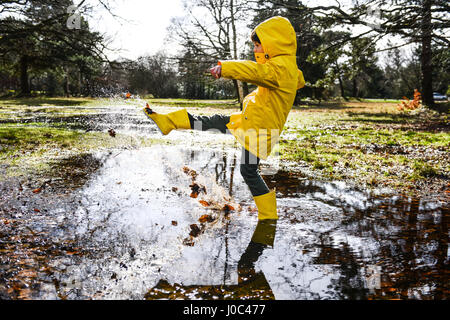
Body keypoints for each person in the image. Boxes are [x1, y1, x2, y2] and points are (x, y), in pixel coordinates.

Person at [143, 16, 305, 220]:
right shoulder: (286, 68)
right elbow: (297, 79)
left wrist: (226, 68)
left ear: (274, 45)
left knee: (248, 171)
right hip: (251, 120)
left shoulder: (279, 69)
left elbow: (254, 71)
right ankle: (169, 122)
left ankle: (268, 215)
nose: (255, 50)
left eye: (257, 45)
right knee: (214, 122)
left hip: (260, 129)